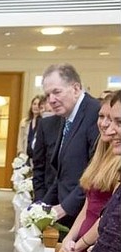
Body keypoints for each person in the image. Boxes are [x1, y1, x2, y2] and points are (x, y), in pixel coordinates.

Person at [45, 90, 121, 252]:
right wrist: (74, 241)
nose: (107, 126)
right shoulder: (104, 150)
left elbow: (112, 236)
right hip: (93, 248)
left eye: (116, 121)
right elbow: (95, 207)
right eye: (104, 117)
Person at [41, 63, 101, 228]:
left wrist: (65, 207)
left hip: (85, 215)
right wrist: (41, 206)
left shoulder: (95, 113)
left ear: (76, 88)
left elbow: (96, 170)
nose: (51, 100)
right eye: (48, 95)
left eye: (56, 92)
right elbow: (62, 174)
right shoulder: (67, 115)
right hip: (66, 210)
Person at [60, 94, 119, 252]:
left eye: (114, 120)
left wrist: (80, 244)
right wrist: (70, 237)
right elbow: (88, 206)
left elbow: (109, 216)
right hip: (83, 242)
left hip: (98, 244)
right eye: (101, 116)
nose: (105, 124)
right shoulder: (101, 155)